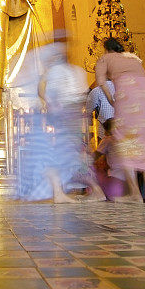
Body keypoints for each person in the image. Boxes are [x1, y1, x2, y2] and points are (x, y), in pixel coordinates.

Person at [40, 40, 106, 202]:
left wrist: (51, 105)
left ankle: (89, 190)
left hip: (65, 115)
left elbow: (44, 92)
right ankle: (61, 192)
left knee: (65, 154)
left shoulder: (54, 72)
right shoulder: (77, 71)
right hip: (73, 115)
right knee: (68, 154)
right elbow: (83, 96)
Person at [95, 38, 145, 203]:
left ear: (106, 49)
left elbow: (101, 82)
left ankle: (135, 194)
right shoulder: (132, 57)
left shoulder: (105, 59)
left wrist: (112, 100)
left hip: (128, 89)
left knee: (124, 141)